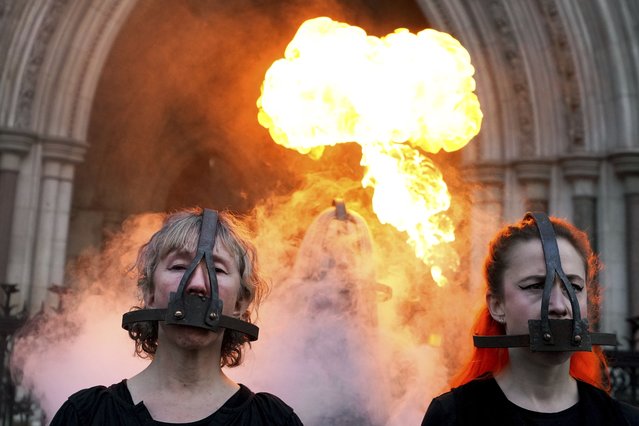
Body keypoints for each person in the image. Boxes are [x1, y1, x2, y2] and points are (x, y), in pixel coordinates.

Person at [50, 207, 303, 425]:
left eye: (217, 270)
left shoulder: (273, 421)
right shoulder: (86, 416)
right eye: (179, 267)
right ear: (149, 292)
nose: (197, 285)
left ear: (241, 301)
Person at [422, 212, 639, 425]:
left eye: (574, 287)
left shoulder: (623, 420)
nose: (558, 306)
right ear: (497, 305)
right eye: (535, 286)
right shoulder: (453, 416)